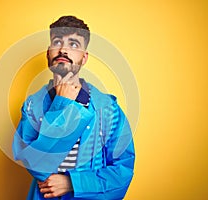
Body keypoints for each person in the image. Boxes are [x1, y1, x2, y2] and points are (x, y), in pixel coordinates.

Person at [13, 16, 135, 200]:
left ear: (84, 58)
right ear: (48, 53)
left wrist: (72, 183)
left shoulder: (108, 109)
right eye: (57, 42)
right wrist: (61, 104)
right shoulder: (32, 106)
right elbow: (34, 162)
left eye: (74, 44)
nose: (63, 49)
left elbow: (123, 171)